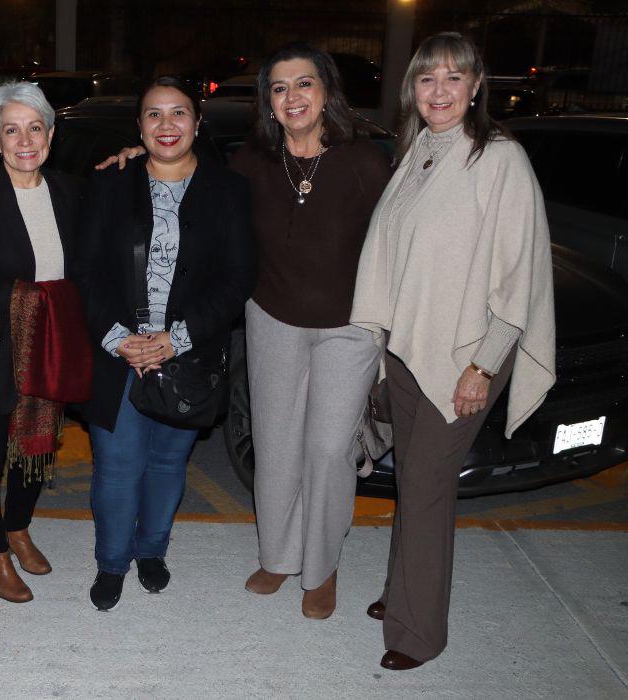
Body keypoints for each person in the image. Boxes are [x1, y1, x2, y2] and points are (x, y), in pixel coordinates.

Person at [350, 32, 555, 670]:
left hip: (467, 356)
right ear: (412, 90)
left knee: (427, 486)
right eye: (427, 79)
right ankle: (403, 588)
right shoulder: (418, 154)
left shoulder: (498, 158)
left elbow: (519, 276)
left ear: (475, 87)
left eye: (453, 78)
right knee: (412, 483)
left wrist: (484, 365)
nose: (439, 91)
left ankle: (418, 633)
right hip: (413, 352)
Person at [77, 76, 254, 611]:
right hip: (118, 354)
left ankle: (152, 551)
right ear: (139, 126)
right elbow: (85, 271)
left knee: (167, 463)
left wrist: (175, 340)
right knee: (117, 463)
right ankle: (111, 563)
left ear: (198, 124)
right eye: (154, 114)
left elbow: (237, 278)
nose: (166, 125)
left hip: (189, 356)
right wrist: (119, 339)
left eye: (179, 113)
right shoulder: (111, 182)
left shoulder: (229, 191)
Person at [228, 44, 391, 619]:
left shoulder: (365, 161)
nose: (292, 97)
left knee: (326, 449)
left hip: (350, 327)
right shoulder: (251, 163)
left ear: (326, 92)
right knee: (275, 445)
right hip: (271, 317)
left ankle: (320, 568)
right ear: (267, 103)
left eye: (304, 84)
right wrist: (132, 156)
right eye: (279, 88)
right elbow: (189, 193)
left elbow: (397, 247)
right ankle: (278, 554)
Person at [0, 82, 85, 603]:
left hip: (51, 345)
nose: (24, 139)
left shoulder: (71, 192)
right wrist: (33, 300)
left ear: (50, 134)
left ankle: (18, 526)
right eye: (12, 129)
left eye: (35, 127)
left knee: (38, 448)